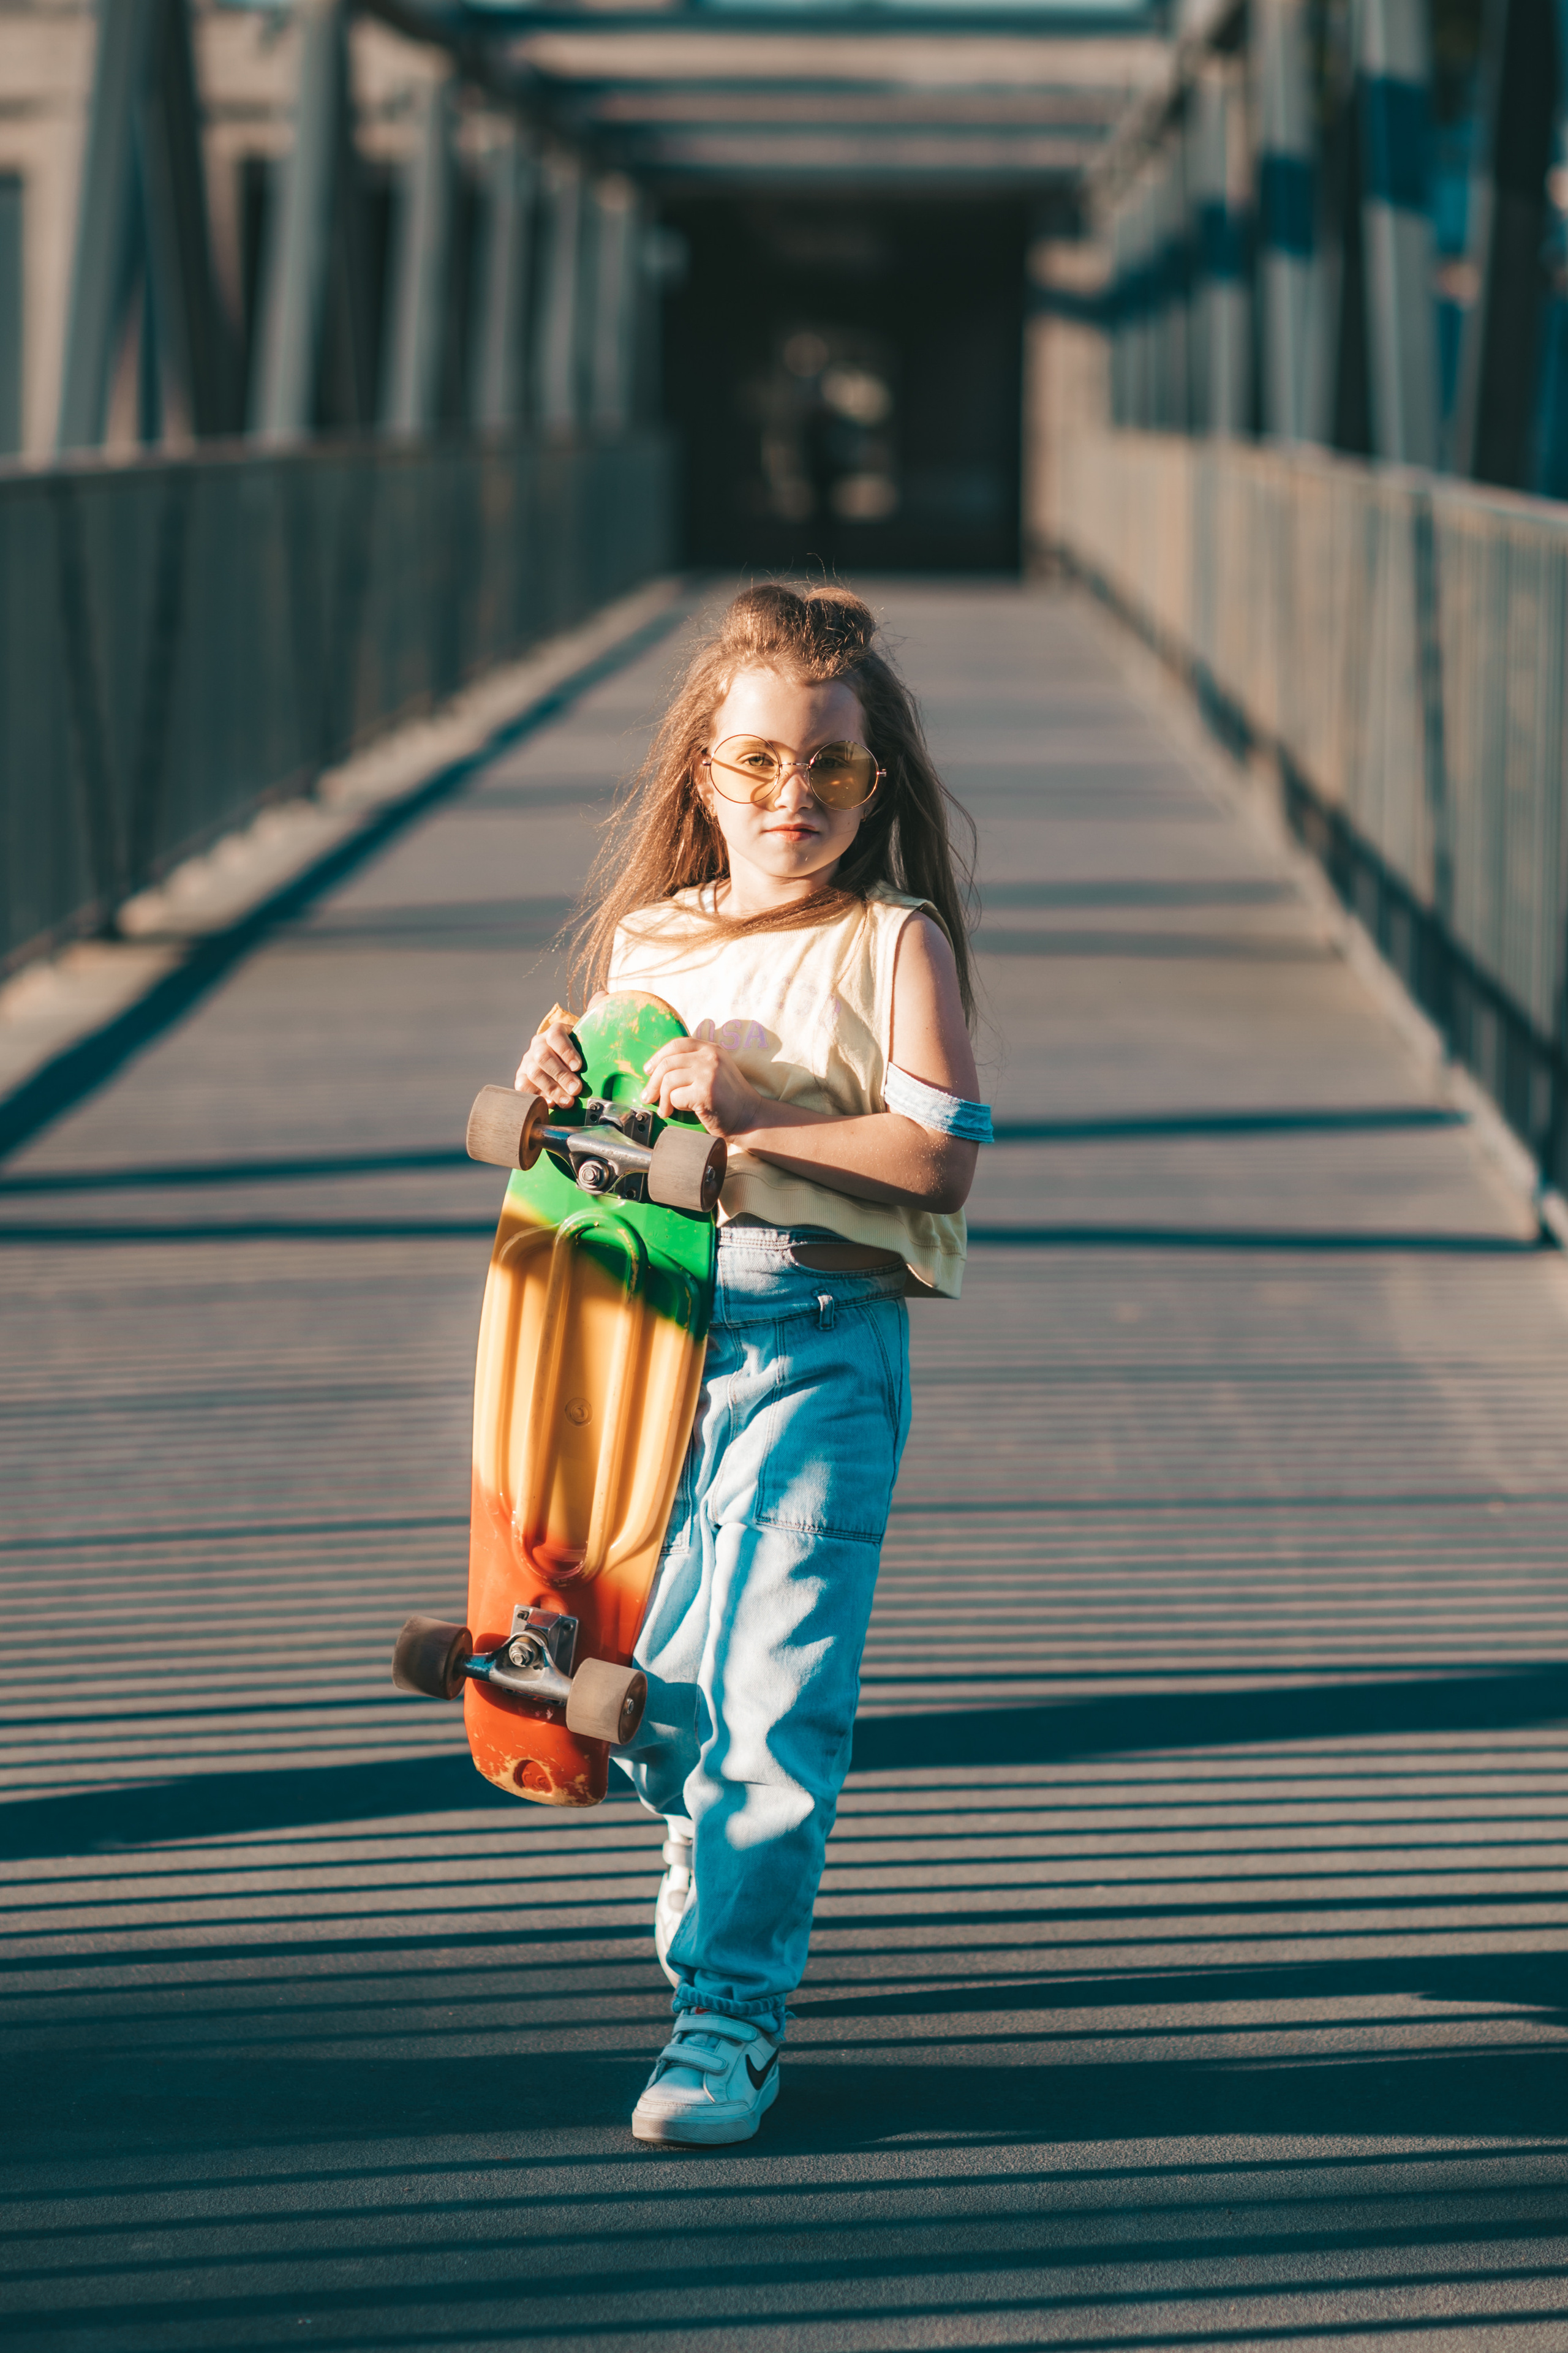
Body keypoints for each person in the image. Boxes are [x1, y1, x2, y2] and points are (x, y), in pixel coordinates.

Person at [514, 583, 992, 2146]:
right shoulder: (653, 937)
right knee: (671, 1706)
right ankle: (705, 1830)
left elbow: (934, 1162)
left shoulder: (889, 938)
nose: (796, 798)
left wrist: (762, 1119)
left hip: (816, 1354)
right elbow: (603, 1157)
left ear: (877, 782)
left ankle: (728, 2015)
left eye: (832, 773)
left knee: (776, 1701)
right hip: (655, 1355)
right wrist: (551, 1093)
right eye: (761, 765)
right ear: (700, 777)